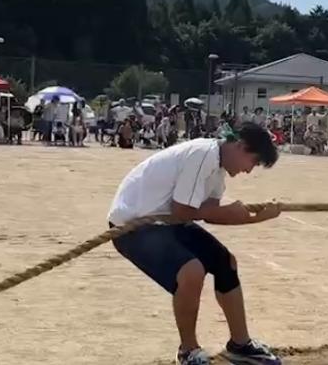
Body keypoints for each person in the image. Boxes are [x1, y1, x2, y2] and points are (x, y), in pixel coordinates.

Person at [107, 122, 283, 365]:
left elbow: (209, 213)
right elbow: (183, 211)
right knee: (191, 271)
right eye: (253, 161)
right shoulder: (203, 155)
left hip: (167, 223)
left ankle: (240, 344)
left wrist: (255, 217)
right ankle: (188, 350)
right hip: (132, 226)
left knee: (225, 262)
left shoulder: (217, 170)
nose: (249, 170)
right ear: (240, 146)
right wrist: (241, 214)